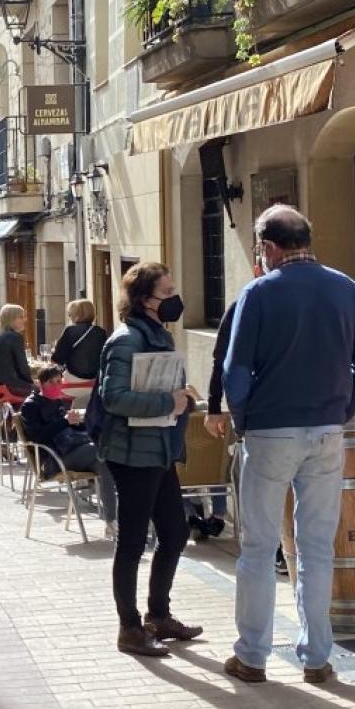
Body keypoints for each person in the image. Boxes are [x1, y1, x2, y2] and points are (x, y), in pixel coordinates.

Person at [222, 205, 355, 687]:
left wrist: (245, 422)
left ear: (268, 247)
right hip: (327, 431)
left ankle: (252, 655)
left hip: (271, 431)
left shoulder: (259, 293)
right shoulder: (346, 288)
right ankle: (316, 658)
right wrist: (342, 411)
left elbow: (236, 372)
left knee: (258, 546)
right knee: (316, 548)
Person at [98, 263, 204, 658]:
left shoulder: (158, 334)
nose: (175, 299)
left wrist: (182, 395)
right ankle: (129, 628)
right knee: (131, 542)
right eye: (168, 292)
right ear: (145, 299)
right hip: (132, 455)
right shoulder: (126, 341)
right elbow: (114, 397)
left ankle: (158, 615)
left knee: (175, 533)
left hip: (158, 450)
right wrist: (168, 401)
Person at [21, 362, 100, 477]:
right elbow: (37, 436)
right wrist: (65, 421)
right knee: (99, 449)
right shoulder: (31, 405)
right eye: (51, 382)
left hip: (69, 450)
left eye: (58, 381)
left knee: (102, 465)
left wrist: (78, 422)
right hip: (52, 459)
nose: (56, 385)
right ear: (40, 384)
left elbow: (66, 427)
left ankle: (104, 493)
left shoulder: (57, 401)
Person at [49, 298, 107, 384]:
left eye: (70, 314)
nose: (70, 317)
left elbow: (57, 359)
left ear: (76, 315)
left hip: (74, 379)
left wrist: (54, 350)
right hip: (96, 380)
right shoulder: (101, 332)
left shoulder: (70, 331)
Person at [0, 303, 34, 398]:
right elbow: (22, 366)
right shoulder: (14, 337)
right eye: (21, 317)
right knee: (40, 392)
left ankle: (11, 412)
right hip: (8, 385)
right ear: (11, 319)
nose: (25, 320)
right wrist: (32, 382)